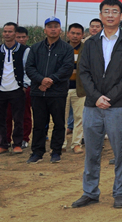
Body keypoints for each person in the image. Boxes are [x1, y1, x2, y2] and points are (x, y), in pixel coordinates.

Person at [72, 0, 122, 209]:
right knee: (92, 152)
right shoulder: (90, 43)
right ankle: (90, 192)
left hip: (117, 106)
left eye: (115, 11)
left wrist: (109, 97)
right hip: (92, 106)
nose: (110, 15)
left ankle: (120, 192)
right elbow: (83, 72)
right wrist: (96, 97)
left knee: (120, 151)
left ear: (121, 16)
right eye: (106, 11)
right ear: (100, 15)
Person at [25, 17, 73, 164]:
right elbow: (29, 67)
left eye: (56, 26)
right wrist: (41, 80)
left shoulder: (67, 48)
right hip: (38, 92)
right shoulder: (35, 48)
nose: (53, 29)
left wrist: (50, 80)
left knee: (58, 123)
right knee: (39, 124)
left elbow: (67, 68)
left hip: (57, 92)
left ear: (60, 30)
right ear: (45, 30)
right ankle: (37, 152)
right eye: (50, 26)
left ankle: (56, 152)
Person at [0, 22, 29, 154]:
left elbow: (27, 68)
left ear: (15, 33)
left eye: (10, 31)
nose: (7, 34)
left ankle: (17, 144)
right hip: (1, 89)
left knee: (18, 118)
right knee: (2, 119)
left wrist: (25, 85)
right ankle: (3, 144)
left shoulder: (24, 50)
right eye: (5, 31)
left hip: (17, 88)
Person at [64, 23, 86, 154]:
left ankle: (76, 144)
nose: (75, 36)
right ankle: (60, 143)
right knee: (61, 118)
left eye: (78, 34)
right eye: (72, 33)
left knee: (79, 118)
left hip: (80, 89)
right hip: (62, 88)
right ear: (68, 34)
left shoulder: (86, 49)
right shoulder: (61, 48)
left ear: (82, 35)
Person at [13, 26, 33, 148]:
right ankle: (6, 139)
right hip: (8, 88)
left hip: (24, 88)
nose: (21, 39)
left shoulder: (29, 51)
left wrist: (25, 85)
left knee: (24, 114)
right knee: (7, 115)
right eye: (18, 37)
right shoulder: (6, 51)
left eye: (23, 37)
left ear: (27, 38)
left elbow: (29, 70)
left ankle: (24, 138)